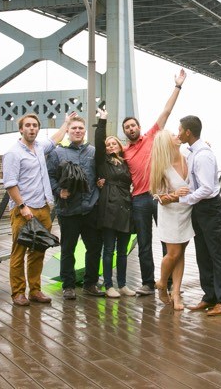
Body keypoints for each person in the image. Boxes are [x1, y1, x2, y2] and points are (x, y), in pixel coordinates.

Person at [122, 70, 188, 296]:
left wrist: (177, 86)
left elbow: (166, 111)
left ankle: (166, 281)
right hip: (139, 199)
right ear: (124, 132)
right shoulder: (123, 152)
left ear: (139, 127)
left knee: (166, 240)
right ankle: (148, 283)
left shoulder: (152, 136)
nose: (131, 129)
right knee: (144, 243)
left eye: (133, 125)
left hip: (160, 196)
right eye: (127, 127)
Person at [3, 112, 77, 306]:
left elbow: (54, 140)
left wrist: (66, 123)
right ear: (21, 129)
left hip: (43, 208)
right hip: (23, 210)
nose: (32, 128)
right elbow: (10, 184)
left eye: (35, 125)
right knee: (18, 252)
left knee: (38, 251)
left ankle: (35, 290)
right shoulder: (13, 153)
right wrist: (22, 206)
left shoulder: (39, 147)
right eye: (28, 125)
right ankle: (18, 293)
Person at [179, 115, 221, 316]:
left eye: (179, 129)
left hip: (210, 208)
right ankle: (209, 296)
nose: (177, 132)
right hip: (200, 209)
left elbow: (207, 188)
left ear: (188, 132)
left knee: (216, 254)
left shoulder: (203, 155)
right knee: (203, 253)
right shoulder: (192, 152)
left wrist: (185, 200)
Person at [47, 116, 103, 300]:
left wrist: (101, 182)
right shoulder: (57, 153)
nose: (77, 131)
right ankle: (68, 286)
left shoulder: (93, 152)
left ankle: (90, 284)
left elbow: (101, 173)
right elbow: (49, 176)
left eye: (80, 128)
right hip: (68, 211)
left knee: (94, 248)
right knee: (68, 249)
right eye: (74, 129)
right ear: (68, 132)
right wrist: (58, 191)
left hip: (90, 208)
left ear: (85, 131)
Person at [149, 130, 194, 310]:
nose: (178, 135)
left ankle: (176, 293)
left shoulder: (188, 157)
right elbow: (159, 197)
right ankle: (161, 283)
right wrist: (175, 195)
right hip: (170, 213)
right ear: (167, 143)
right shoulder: (162, 166)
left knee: (181, 252)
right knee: (173, 253)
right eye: (173, 135)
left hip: (187, 212)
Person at [93, 108, 135, 298]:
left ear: (119, 145)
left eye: (113, 144)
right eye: (107, 144)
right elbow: (99, 143)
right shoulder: (103, 162)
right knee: (109, 249)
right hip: (109, 207)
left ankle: (123, 285)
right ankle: (109, 285)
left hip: (125, 206)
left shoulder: (126, 163)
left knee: (122, 251)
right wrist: (102, 121)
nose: (110, 146)